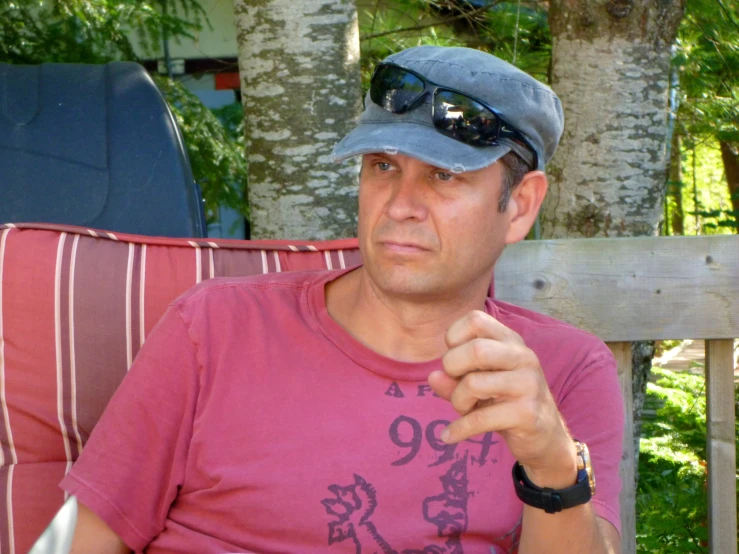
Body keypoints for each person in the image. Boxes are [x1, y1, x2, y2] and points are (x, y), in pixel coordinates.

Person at [59, 45, 623, 553]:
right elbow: (76, 540)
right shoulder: (212, 327)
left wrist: (553, 464)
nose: (401, 204)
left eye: (445, 175)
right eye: (383, 167)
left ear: (520, 206)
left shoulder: (563, 374)